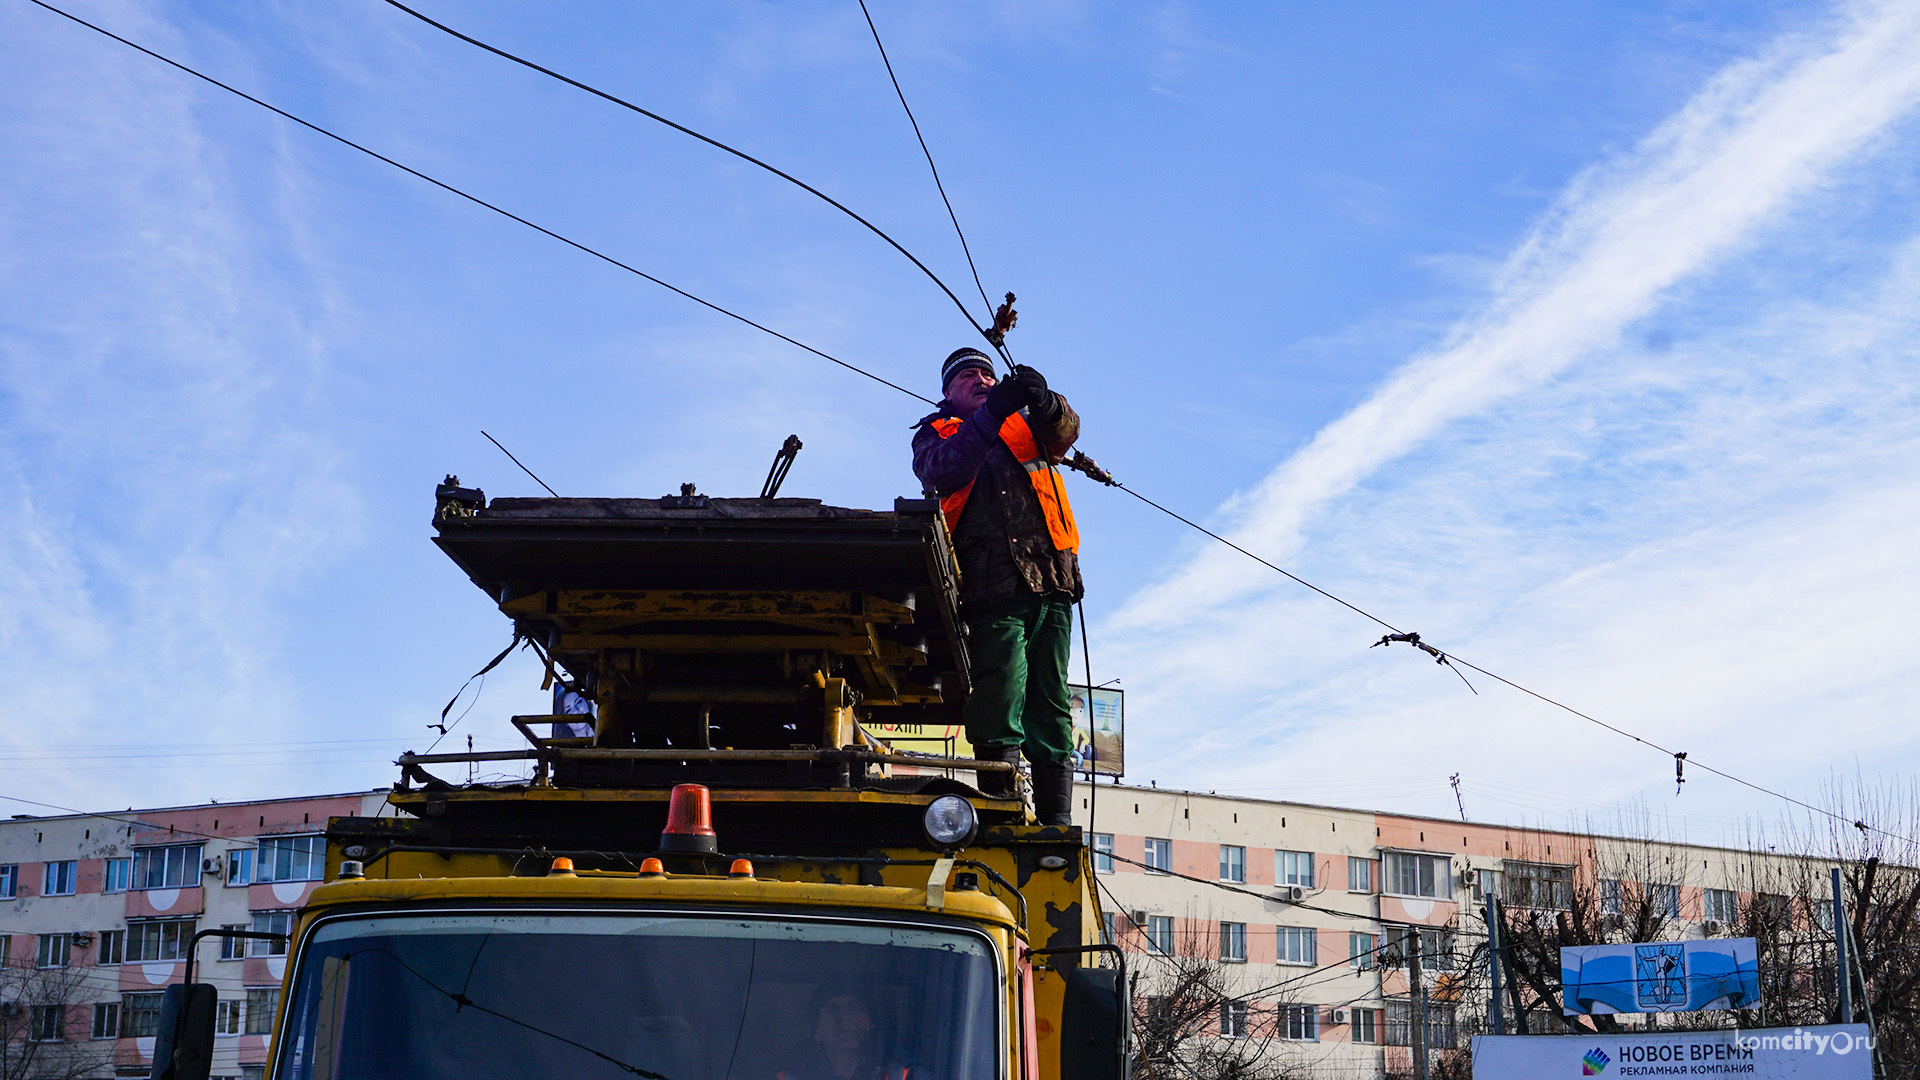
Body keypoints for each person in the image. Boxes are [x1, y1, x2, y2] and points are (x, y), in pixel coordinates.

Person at [911, 347, 1082, 827]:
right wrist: (990, 415)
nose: (982, 378)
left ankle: (1056, 820)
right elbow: (942, 471)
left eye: (987, 373)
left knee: (1050, 702)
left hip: (1051, 580)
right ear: (947, 393)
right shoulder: (937, 434)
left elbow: (1065, 430)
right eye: (968, 376)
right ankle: (1003, 811)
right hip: (991, 587)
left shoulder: (1027, 427)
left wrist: (1045, 401)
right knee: (1001, 691)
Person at [775, 990, 910, 1080]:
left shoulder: (898, 1072)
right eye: (832, 1011)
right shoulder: (792, 1075)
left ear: (869, 1023)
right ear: (817, 1031)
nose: (845, 1018)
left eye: (854, 1009)